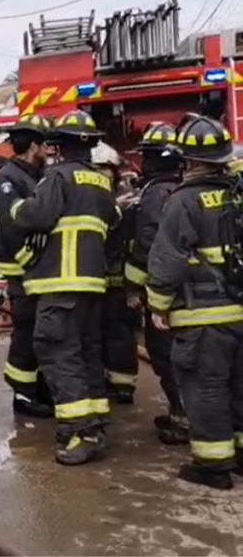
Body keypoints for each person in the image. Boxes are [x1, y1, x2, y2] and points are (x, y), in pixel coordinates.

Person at [9, 109, 117, 466]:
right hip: (91, 285)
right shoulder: (102, 182)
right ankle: (97, 423)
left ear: (60, 145)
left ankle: (78, 434)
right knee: (87, 353)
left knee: (57, 353)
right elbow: (112, 222)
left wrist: (17, 208)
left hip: (60, 283)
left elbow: (36, 216)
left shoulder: (57, 177)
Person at [146, 116, 243, 490]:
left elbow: (167, 260)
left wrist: (158, 305)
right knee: (238, 385)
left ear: (187, 160)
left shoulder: (183, 201)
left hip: (202, 316)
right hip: (239, 311)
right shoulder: (237, 194)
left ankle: (213, 466)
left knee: (206, 388)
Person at [123, 122, 187, 445]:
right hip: (192, 292)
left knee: (165, 355)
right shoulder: (184, 190)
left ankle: (183, 417)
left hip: (163, 294)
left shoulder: (153, 196)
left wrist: (134, 288)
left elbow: (147, 246)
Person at [0, 113, 54, 418]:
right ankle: (23, 395)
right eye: (45, 145)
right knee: (26, 332)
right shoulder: (8, 180)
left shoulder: (32, 176)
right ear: (34, 146)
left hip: (38, 272)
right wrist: (31, 260)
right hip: (23, 272)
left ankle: (39, 389)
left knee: (40, 333)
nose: (48, 152)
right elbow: (10, 227)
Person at [91, 141, 140, 405]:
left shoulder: (127, 199)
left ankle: (123, 385)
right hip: (93, 280)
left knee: (121, 333)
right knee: (95, 333)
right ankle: (103, 380)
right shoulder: (89, 195)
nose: (101, 174)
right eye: (96, 168)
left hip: (121, 280)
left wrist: (134, 287)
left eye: (105, 169)